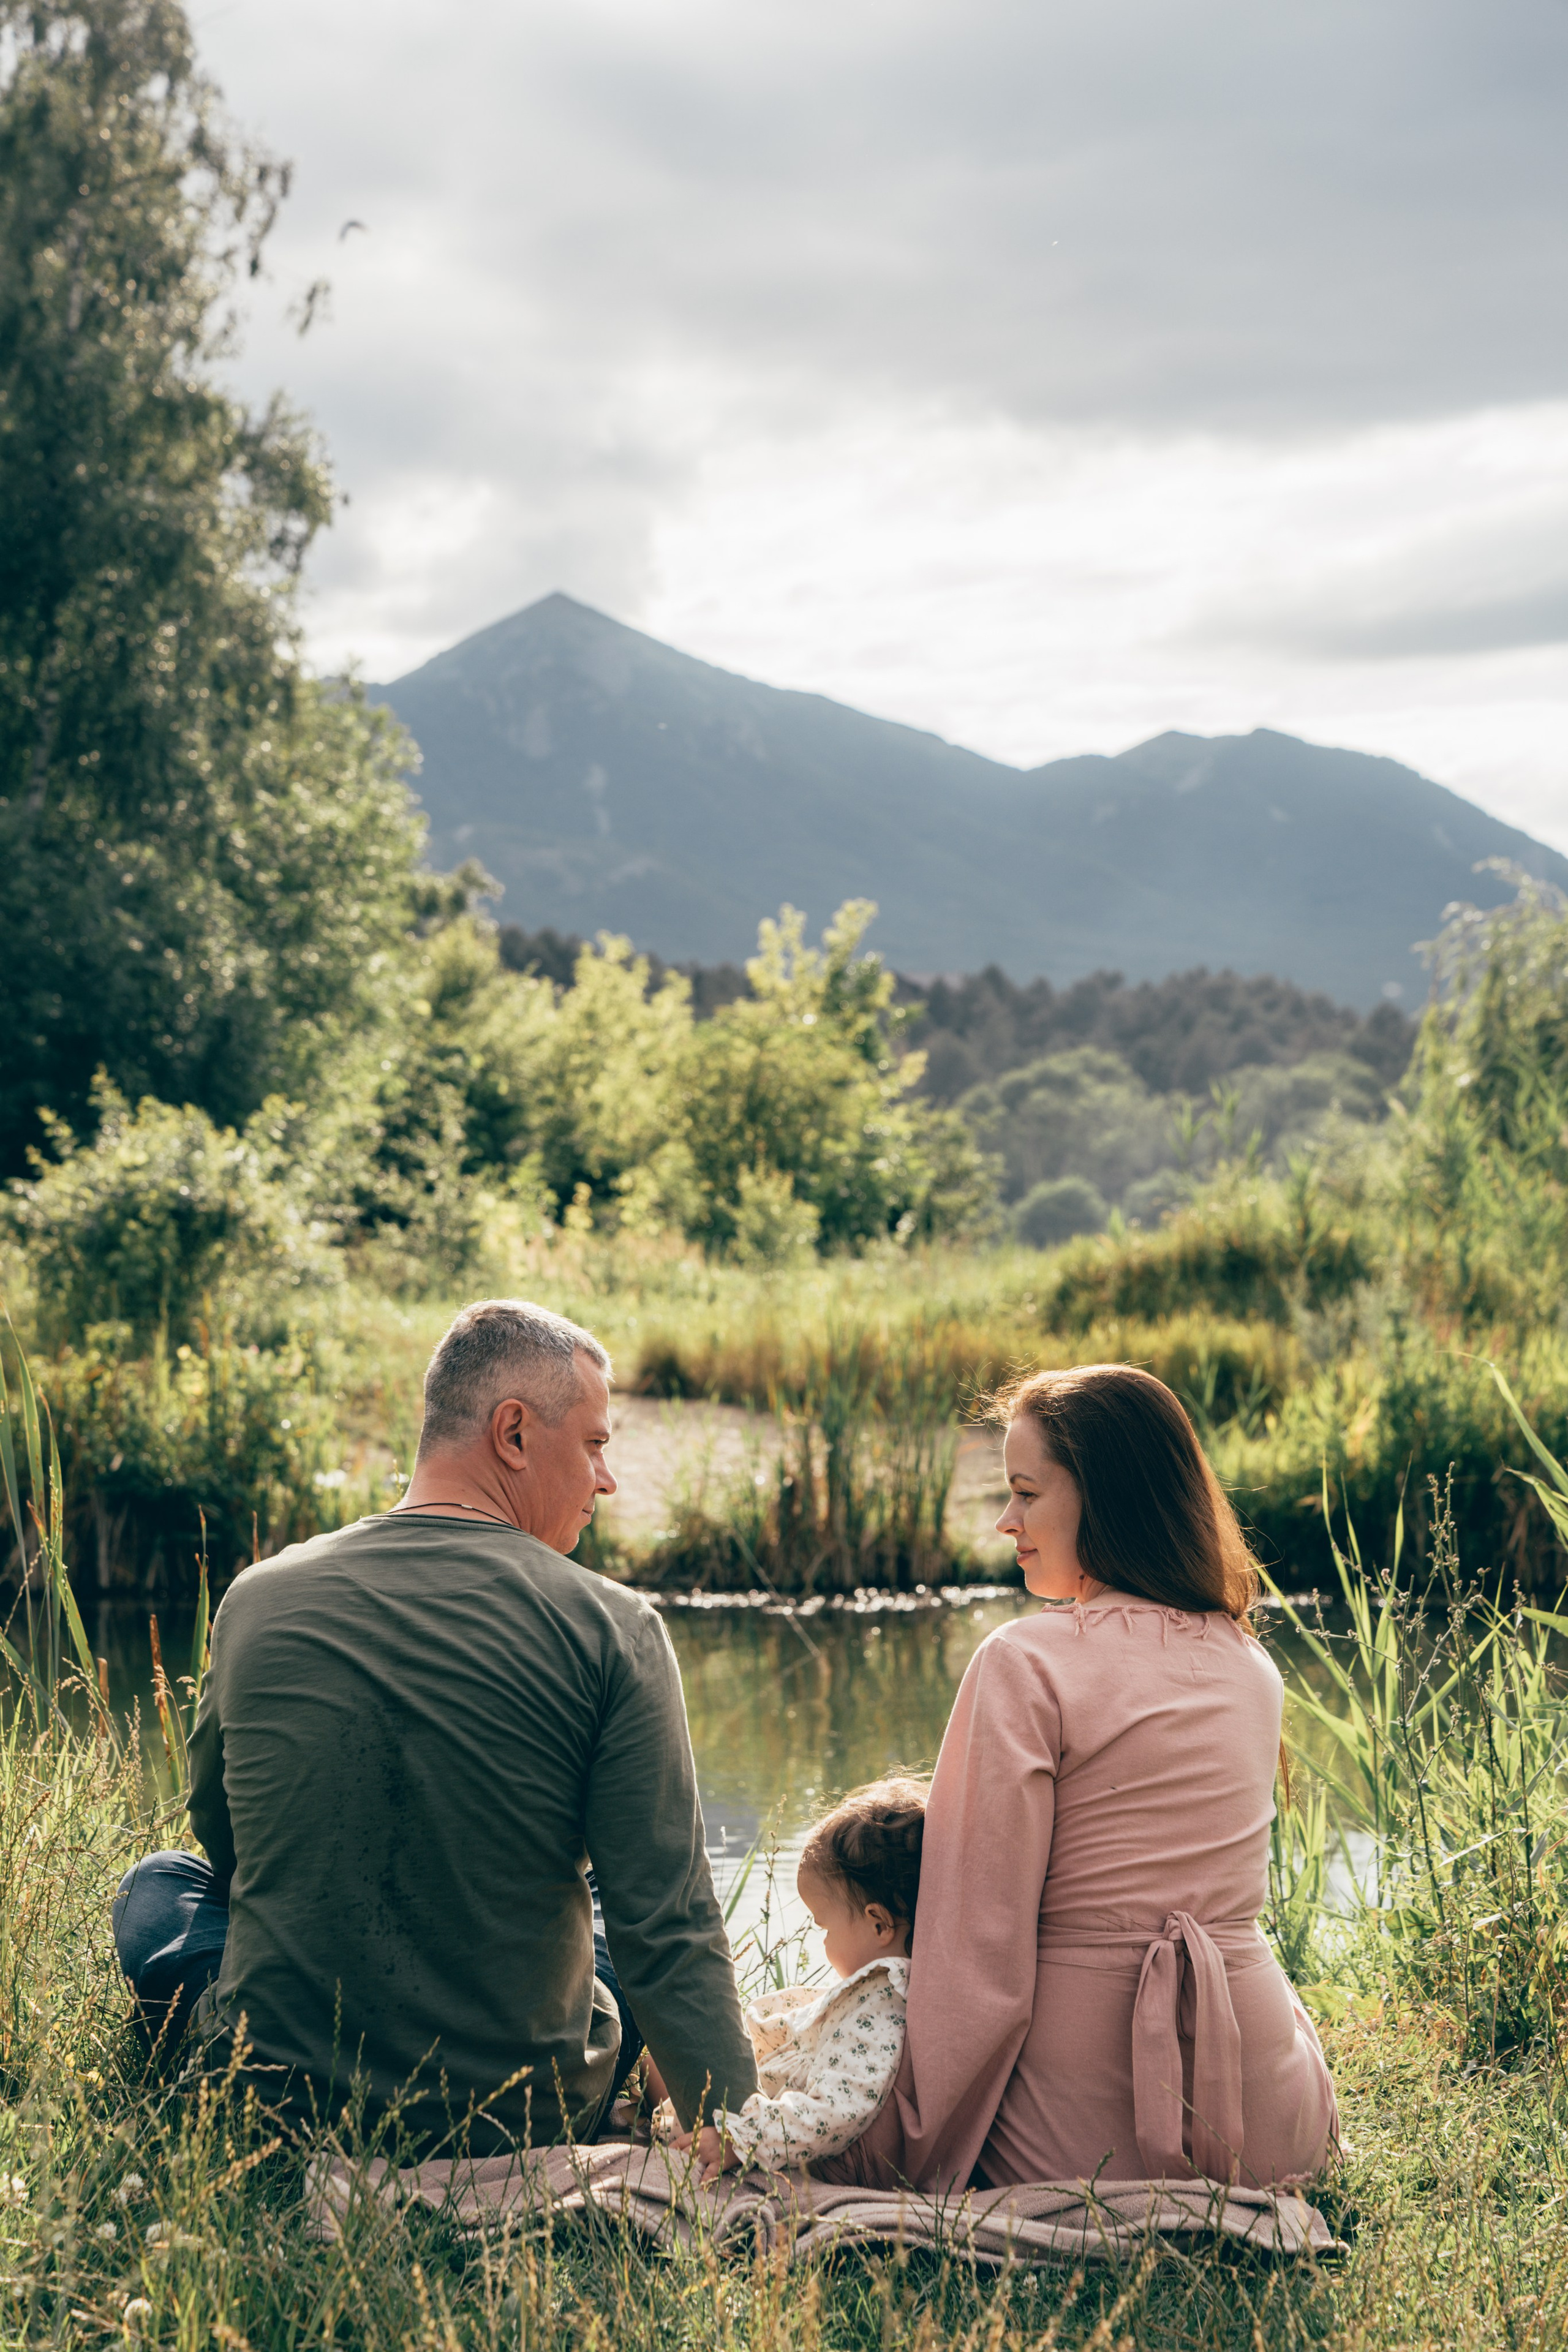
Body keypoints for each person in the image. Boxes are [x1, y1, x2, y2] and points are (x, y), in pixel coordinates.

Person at [112, 1299, 757, 2152]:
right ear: (515, 1434)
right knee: (606, 1905)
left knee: (161, 1885)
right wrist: (746, 2139)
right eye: (597, 1445)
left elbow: (229, 1844)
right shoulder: (615, 1626)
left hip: (273, 2097)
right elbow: (668, 1925)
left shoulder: (258, 1598)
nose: (609, 1481)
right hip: (523, 2116)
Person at [832, 1363, 1337, 2194]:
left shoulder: (1025, 1662)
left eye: (1026, 1493)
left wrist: (909, 2139)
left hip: (1092, 2137)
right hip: (1269, 2118)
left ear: (1103, 1496)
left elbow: (978, 1950)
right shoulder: (1251, 1663)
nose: (1006, 1520)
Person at [668, 1778, 925, 2179]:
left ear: (878, 1924)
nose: (823, 1941)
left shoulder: (884, 2005)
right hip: (765, 2093)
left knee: (666, 2086)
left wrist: (746, 2138)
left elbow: (837, 2111)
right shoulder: (877, 1988)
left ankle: (646, 2109)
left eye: (824, 1926)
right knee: (664, 2068)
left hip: (763, 2119)